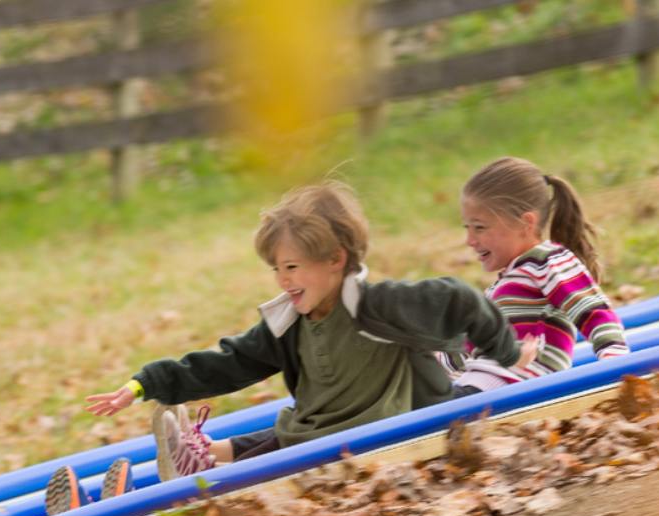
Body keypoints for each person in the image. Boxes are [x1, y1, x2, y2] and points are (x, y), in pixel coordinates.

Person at [73, 180, 539, 488]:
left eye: (292, 267)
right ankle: (199, 458)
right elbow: (230, 362)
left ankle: (206, 461)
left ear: (336, 259)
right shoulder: (290, 323)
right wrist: (145, 384)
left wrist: (506, 351)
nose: (282, 279)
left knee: (298, 437)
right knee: (296, 426)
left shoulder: (378, 305)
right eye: (276, 268)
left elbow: (460, 298)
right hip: (321, 432)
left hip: (390, 427)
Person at [443, 156, 628, 396]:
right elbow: (467, 348)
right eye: (467, 228)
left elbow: (591, 309)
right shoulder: (502, 288)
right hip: (478, 383)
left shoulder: (547, 260)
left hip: (510, 384)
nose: (470, 240)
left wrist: (615, 361)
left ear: (525, 223)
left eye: (479, 227)